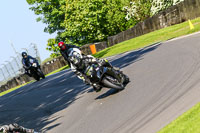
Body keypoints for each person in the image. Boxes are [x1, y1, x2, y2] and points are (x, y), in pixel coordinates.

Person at [58, 42, 129, 92]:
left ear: (64, 45)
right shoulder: (64, 53)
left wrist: (79, 51)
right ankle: (95, 83)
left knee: (102, 61)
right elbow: (66, 58)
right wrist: (85, 79)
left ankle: (113, 69)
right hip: (73, 62)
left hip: (79, 56)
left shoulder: (69, 47)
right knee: (91, 83)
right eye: (61, 47)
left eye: (63, 46)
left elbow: (75, 47)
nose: (63, 47)